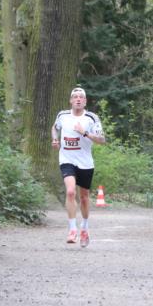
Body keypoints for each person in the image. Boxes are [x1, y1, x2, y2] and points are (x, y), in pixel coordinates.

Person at [51, 87, 105, 247]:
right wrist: (55, 139)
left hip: (85, 162)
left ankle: (85, 228)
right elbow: (54, 128)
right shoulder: (62, 115)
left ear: (85, 101)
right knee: (70, 191)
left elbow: (102, 140)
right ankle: (72, 229)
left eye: (81, 97)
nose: (78, 99)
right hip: (67, 159)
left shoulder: (91, 118)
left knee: (84, 197)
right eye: (75, 97)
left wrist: (85, 133)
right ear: (71, 100)